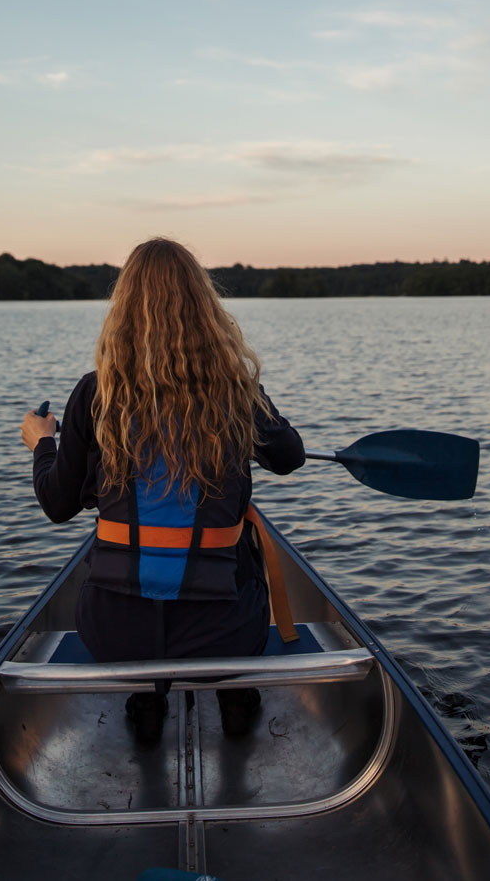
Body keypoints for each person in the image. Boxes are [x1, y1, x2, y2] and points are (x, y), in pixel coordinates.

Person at [20, 237, 306, 743]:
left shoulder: (94, 393)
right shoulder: (235, 391)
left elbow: (57, 504)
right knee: (241, 551)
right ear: (204, 308)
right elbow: (289, 458)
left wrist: (43, 444)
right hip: (225, 634)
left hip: (113, 634)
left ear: (124, 309)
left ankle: (146, 700)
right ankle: (234, 696)